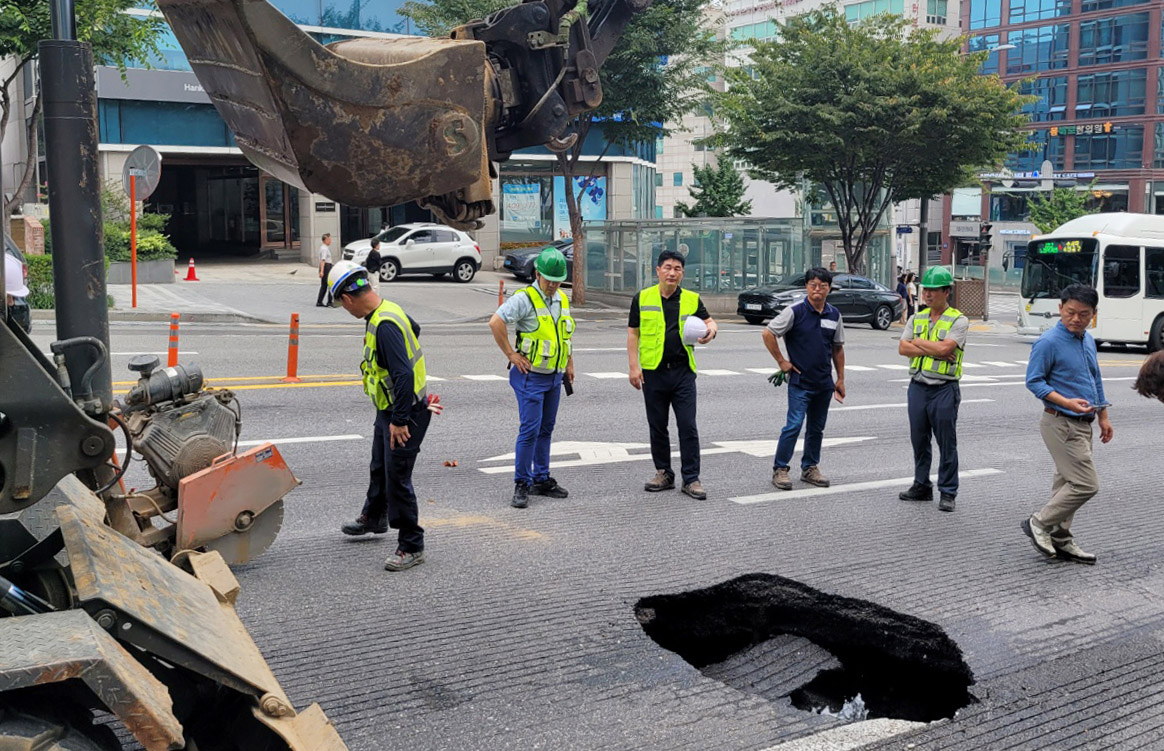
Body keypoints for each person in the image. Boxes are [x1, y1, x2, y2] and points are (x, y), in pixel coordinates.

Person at [331, 260, 432, 572]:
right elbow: (414, 329)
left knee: (398, 477)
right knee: (380, 466)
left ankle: (411, 544)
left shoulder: (385, 325)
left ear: (348, 299)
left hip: (405, 411)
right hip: (388, 407)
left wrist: (400, 421)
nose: (347, 310)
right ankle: (373, 517)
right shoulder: (385, 310)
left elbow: (402, 374)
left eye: (343, 306)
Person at [1022, 284, 1113, 565]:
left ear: (1093, 314)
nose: (1076, 318)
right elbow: (1034, 381)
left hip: (1083, 423)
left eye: (1083, 314)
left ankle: (1061, 537)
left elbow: (1094, 378)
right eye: (1070, 312)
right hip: (1059, 422)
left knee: (1066, 485)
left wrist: (1103, 416)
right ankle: (1039, 522)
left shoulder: (1087, 340)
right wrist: (1067, 402)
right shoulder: (1048, 342)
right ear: (1060, 308)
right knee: (1085, 484)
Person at [488, 247, 576, 508]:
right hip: (531, 377)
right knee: (529, 430)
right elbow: (496, 322)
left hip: (554, 376)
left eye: (558, 281)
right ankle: (522, 483)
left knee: (546, 429)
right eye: (549, 279)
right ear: (537, 274)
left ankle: (541, 478)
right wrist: (511, 355)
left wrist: (570, 363)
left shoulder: (562, 298)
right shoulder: (524, 298)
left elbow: (565, 334)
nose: (553, 285)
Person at [627, 249, 718, 500]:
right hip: (653, 372)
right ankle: (664, 473)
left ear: (682, 273)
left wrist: (711, 331)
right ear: (657, 270)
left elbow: (710, 322)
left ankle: (692, 479)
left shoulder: (691, 298)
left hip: (682, 372)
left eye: (677, 269)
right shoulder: (642, 298)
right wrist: (634, 367)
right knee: (657, 426)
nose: (672, 272)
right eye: (667, 267)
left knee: (688, 426)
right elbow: (633, 333)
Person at [763, 267, 846, 490]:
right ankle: (780, 469)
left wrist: (840, 379)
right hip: (801, 383)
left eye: (822, 286)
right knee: (794, 425)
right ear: (807, 287)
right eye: (813, 285)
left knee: (817, 429)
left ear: (829, 289)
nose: (817, 289)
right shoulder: (795, 312)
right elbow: (768, 333)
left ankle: (810, 467)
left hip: (823, 383)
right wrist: (782, 362)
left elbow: (837, 349)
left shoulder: (834, 315)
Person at [897, 266, 968, 512]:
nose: (928, 294)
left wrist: (918, 343)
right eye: (926, 289)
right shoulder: (916, 318)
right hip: (917, 386)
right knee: (919, 440)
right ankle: (921, 485)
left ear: (946, 291)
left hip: (944, 389)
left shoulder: (959, 320)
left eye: (934, 290)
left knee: (946, 442)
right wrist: (929, 346)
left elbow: (944, 350)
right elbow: (903, 349)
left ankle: (948, 492)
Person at [316, 233, 333, 307]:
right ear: (325, 240)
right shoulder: (324, 249)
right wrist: (322, 271)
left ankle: (320, 301)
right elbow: (323, 260)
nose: (330, 241)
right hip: (326, 267)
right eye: (329, 239)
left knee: (324, 285)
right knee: (329, 284)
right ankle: (329, 301)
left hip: (326, 266)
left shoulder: (323, 247)